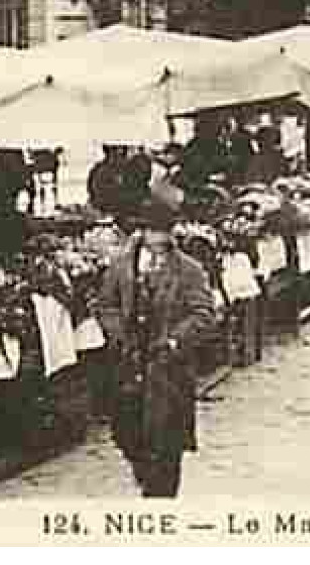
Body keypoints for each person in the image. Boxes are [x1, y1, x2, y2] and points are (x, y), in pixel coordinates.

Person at [94, 181, 217, 498]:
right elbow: (105, 304)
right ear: (142, 232)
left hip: (168, 370)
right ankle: (147, 474)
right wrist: (117, 333)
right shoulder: (121, 267)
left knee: (167, 441)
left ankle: (161, 498)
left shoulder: (189, 270)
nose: (158, 239)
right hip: (129, 366)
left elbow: (204, 313)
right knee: (126, 432)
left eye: (164, 232)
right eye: (152, 232)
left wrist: (176, 341)